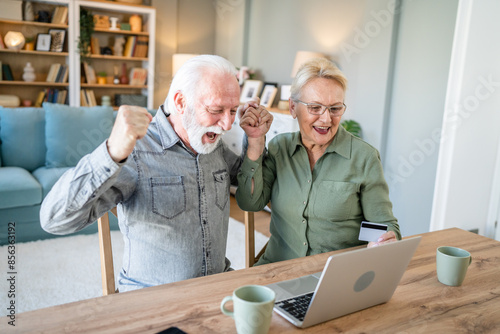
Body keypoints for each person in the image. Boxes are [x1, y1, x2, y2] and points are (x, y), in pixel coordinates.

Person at [40, 55, 272, 292]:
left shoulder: (212, 144)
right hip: (152, 295)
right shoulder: (136, 150)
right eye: (216, 110)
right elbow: (54, 220)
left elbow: (251, 195)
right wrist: (111, 153)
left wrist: (255, 140)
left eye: (233, 110)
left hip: (216, 285)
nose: (226, 124)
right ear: (181, 102)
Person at [236, 58, 401, 265]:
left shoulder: (363, 157)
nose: (326, 119)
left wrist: (382, 241)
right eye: (315, 107)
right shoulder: (281, 148)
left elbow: (381, 224)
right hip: (278, 268)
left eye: (335, 109)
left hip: (334, 276)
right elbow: (249, 202)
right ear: (293, 108)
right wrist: (255, 142)